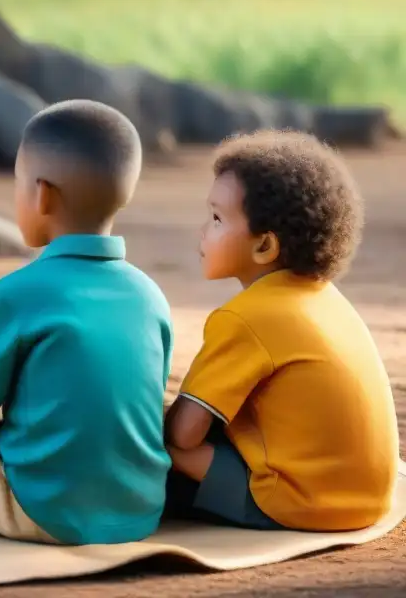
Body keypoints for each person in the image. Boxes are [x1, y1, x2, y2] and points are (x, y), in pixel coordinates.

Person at [0, 100, 174, 546]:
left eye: (17, 183)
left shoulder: (15, 294)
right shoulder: (150, 296)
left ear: (42, 194)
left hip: (45, 510)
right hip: (138, 510)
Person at [165, 129, 399, 532]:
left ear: (264, 248)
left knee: (152, 446)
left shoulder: (245, 318)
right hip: (371, 498)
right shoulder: (327, 298)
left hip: (300, 503)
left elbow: (185, 436)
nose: (203, 231)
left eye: (218, 219)